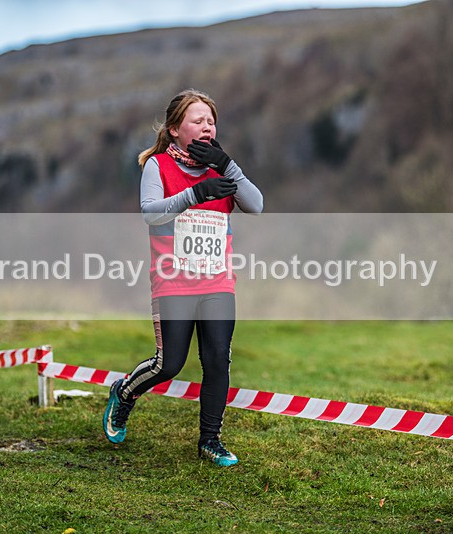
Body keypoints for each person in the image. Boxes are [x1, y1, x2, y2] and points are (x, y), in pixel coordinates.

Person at [103, 88, 263, 466]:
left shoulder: (223, 169)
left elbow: (256, 205)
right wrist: (196, 193)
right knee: (169, 363)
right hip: (173, 282)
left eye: (212, 121)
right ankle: (124, 394)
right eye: (198, 120)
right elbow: (150, 213)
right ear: (176, 129)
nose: (207, 126)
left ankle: (211, 441)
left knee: (216, 361)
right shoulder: (157, 166)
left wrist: (226, 165)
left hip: (217, 282)